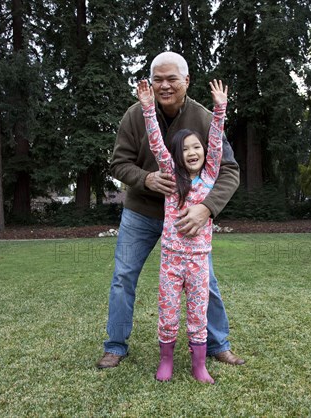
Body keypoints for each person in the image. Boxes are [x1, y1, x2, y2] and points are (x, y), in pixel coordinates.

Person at [96, 51, 244, 369]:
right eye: (158, 79)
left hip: (187, 218)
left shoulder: (204, 118)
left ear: (186, 81)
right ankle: (115, 346)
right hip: (140, 210)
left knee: (207, 282)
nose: (164, 86)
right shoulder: (136, 115)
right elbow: (118, 163)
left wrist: (207, 207)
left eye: (172, 79)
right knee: (123, 277)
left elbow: (229, 169)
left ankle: (218, 344)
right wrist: (146, 178)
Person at [136, 78, 228, 383]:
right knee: (168, 313)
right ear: (177, 156)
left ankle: (199, 364)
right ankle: (166, 361)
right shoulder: (172, 180)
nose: (192, 152)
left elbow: (216, 142)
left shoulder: (210, 177)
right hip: (172, 261)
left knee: (197, 315)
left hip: (199, 261)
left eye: (196, 147)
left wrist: (219, 109)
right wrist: (149, 110)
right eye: (185, 148)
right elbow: (156, 145)